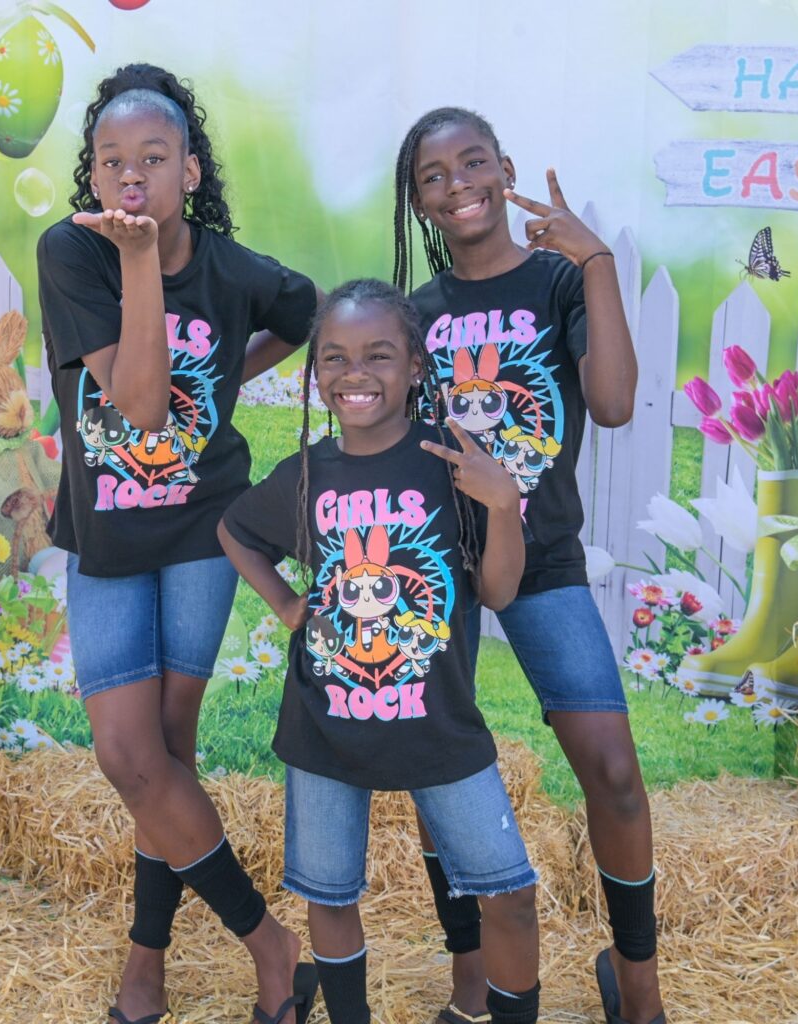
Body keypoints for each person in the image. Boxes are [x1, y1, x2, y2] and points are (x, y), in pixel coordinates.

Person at [37, 64, 320, 1024]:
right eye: (111, 159)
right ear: (93, 171)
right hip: (107, 532)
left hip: (201, 525)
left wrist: (226, 377)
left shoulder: (231, 268)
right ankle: (270, 944)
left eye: (153, 158)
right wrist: (140, 259)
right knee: (129, 754)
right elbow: (139, 404)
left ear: (190, 171)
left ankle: (145, 961)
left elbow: (304, 310)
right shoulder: (72, 253)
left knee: (170, 744)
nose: (131, 175)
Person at [393, 107, 665, 1024]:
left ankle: (637, 983)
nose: (457, 185)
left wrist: (597, 262)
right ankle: (471, 979)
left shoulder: (557, 281)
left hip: (541, 556)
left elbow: (614, 404)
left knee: (613, 770)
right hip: (438, 569)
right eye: (433, 176)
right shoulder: (415, 314)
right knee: (440, 770)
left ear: (505, 170)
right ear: (419, 202)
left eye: (473, 163)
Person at [218, 279, 541, 1024]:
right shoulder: (308, 473)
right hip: (325, 729)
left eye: (378, 354)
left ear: (417, 366)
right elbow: (235, 531)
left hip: (439, 726)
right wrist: (289, 605)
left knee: (510, 894)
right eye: (334, 356)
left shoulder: (451, 464)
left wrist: (503, 503)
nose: (354, 373)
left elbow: (497, 591)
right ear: (315, 372)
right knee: (330, 897)